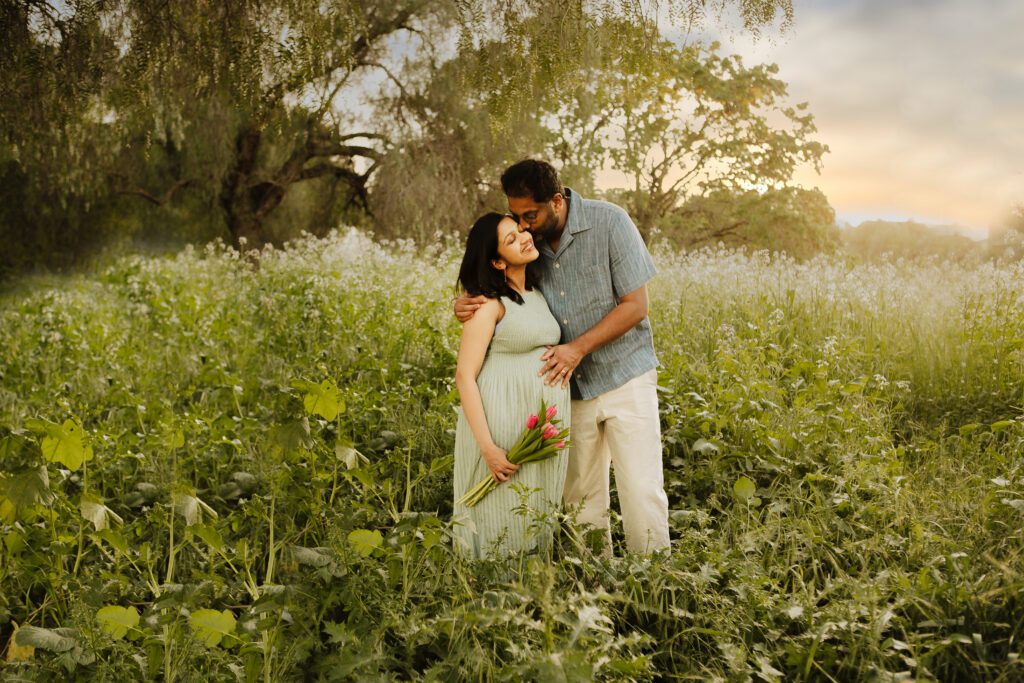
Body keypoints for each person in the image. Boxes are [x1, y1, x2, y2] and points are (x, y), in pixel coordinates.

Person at [455, 159, 670, 554]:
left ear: (556, 201)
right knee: (582, 500)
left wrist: (577, 348)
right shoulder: (531, 249)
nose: (524, 226)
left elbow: (636, 306)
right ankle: (594, 589)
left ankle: (654, 581)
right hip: (571, 392)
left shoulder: (610, 223)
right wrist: (468, 300)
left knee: (641, 490)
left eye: (529, 216)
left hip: (626, 376)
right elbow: (505, 290)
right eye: (517, 218)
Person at [451, 211, 571, 558]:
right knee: (499, 511)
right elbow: (464, 377)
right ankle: (492, 589)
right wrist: (488, 447)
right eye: (510, 239)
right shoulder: (487, 304)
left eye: (520, 229)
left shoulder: (537, 293)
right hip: (501, 421)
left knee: (532, 507)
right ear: (497, 262)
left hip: (537, 425)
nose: (524, 236)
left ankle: (531, 587)